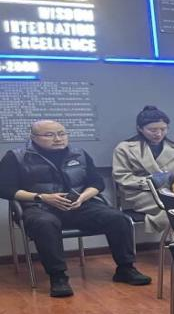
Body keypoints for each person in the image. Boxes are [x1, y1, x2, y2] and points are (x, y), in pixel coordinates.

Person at [0, 120, 151, 298]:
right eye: (49, 135)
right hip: (39, 206)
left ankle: (126, 268)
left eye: (62, 134)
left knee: (118, 218)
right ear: (33, 137)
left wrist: (83, 197)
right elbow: (5, 189)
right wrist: (42, 197)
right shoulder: (16, 157)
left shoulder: (79, 154)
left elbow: (96, 183)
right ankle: (58, 277)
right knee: (45, 224)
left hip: (80, 205)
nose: (58, 139)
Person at [111, 105, 174, 233]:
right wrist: (152, 181)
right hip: (138, 193)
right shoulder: (125, 148)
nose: (159, 134)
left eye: (163, 129)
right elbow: (121, 176)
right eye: (152, 130)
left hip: (171, 191)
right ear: (140, 128)